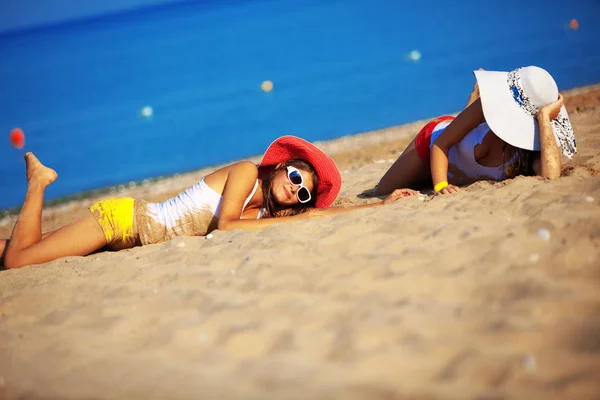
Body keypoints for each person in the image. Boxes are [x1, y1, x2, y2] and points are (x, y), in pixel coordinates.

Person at [1, 135, 418, 269]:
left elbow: (322, 216)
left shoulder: (265, 207)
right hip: (121, 220)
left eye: (304, 191)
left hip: (126, 238)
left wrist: (378, 207)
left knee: (15, 251)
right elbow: (227, 227)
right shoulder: (243, 173)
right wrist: (290, 221)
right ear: (279, 168)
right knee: (21, 262)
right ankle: (38, 182)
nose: (295, 189)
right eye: (295, 177)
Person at [376, 66, 577, 196]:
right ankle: (472, 101)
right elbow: (440, 144)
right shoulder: (486, 106)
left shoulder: (529, 149)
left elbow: (551, 177)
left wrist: (544, 120)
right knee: (382, 191)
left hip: (459, 152)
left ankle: (467, 113)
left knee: (466, 134)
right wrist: (439, 187)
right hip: (434, 143)